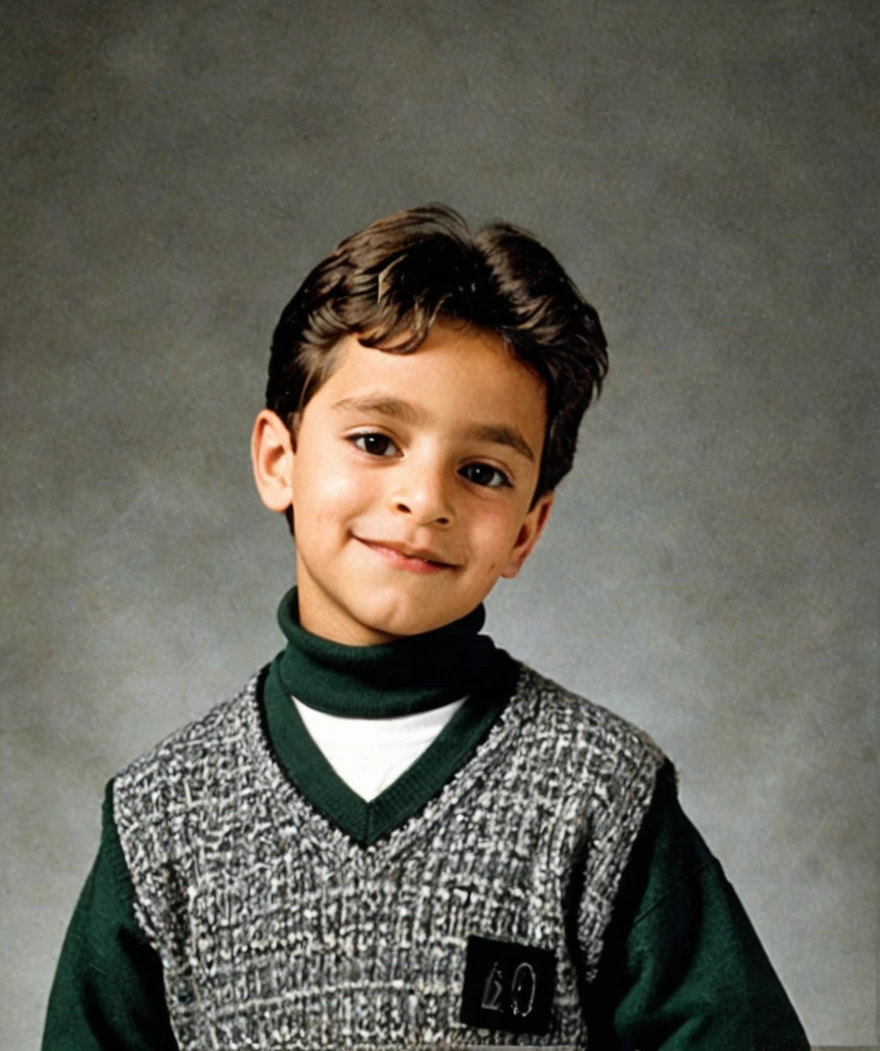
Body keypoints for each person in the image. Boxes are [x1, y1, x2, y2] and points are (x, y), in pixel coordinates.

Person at [42, 205, 810, 1049]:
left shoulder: (599, 797)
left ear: (527, 527)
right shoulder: (164, 814)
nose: (426, 500)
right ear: (278, 460)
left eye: (481, 471)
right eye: (376, 441)